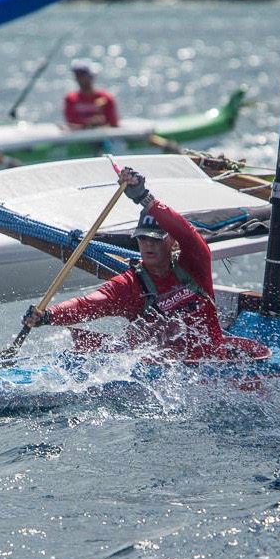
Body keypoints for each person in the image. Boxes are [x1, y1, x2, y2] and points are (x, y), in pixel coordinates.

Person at [23, 166, 227, 361]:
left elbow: (187, 233)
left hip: (215, 361)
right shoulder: (130, 285)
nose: (148, 244)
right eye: (142, 238)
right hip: (170, 373)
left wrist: (144, 198)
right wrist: (48, 316)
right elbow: (89, 304)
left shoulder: (194, 264)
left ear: (172, 240)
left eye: (156, 239)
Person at [64, 59, 119, 128]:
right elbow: (71, 121)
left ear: (91, 75)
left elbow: (113, 122)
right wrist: (90, 122)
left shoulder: (106, 98)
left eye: (83, 74)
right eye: (77, 75)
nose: (80, 78)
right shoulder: (71, 99)